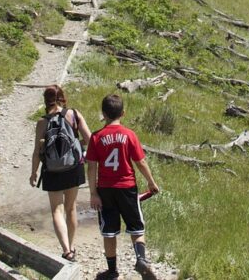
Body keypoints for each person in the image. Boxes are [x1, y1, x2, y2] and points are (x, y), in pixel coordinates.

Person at [86, 93, 160, 280]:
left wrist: (93, 193)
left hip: (105, 189)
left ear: (103, 113)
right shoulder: (129, 135)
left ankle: (112, 271)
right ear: (123, 113)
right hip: (127, 187)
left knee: (109, 231)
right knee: (136, 227)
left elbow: (92, 167)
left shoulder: (96, 137)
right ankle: (141, 259)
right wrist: (151, 182)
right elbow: (140, 162)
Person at [29, 84, 91, 261]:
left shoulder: (42, 122)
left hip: (52, 170)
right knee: (71, 208)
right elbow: (89, 139)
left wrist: (34, 173)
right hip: (73, 167)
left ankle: (66, 250)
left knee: (57, 209)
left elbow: (36, 152)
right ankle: (71, 246)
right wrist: (76, 145)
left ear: (45, 101)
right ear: (63, 98)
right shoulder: (74, 114)